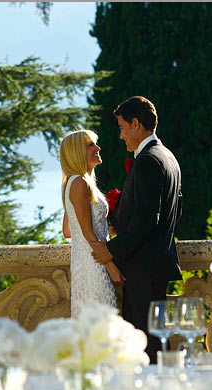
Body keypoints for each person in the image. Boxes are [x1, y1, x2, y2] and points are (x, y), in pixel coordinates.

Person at [91, 96, 183, 364]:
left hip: (143, 270)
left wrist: (110, 251)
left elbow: (146, 220)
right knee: (154, 343)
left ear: (135, 123)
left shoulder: (148, 161)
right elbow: (170, 213)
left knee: (144, 349)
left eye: (121, 127)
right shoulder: (168, 157)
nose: (120, 136)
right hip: (156, 266)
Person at [60, 129, 123, 319]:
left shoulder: (73, 182)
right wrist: (111, 267)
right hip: (95, 264)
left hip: (84, 262)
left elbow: (68, 230)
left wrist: (106, 227)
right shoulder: (79, 183)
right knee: (102, 324)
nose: (98, 147)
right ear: (77, 152)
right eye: (90, 145)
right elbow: (86, 232)